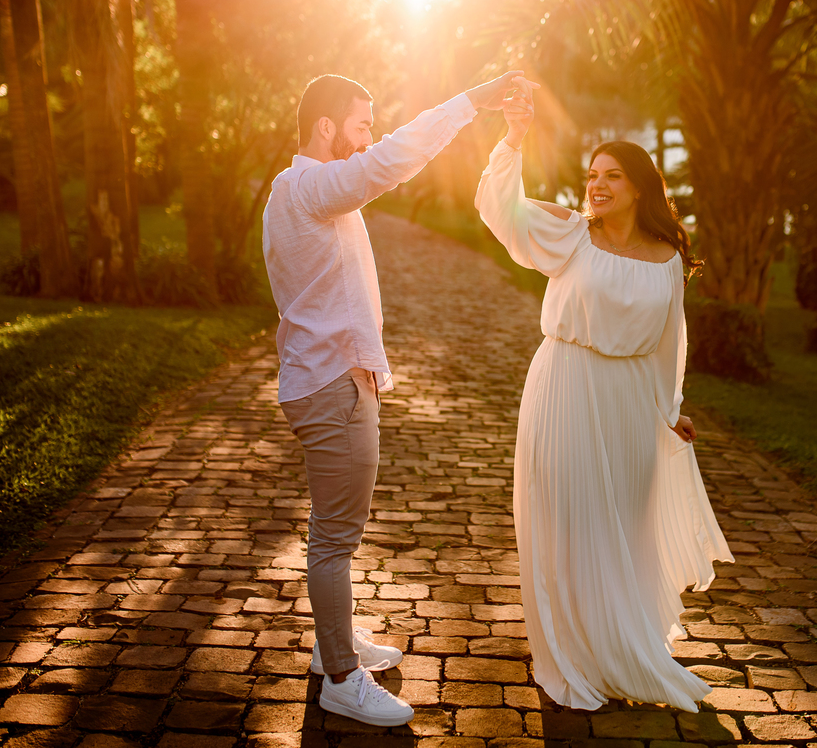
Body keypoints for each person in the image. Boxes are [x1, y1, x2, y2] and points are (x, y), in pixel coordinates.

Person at [262, 70, 528, 727]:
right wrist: (474, 99)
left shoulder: (295, 190)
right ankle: (341, 679)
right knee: (334, 537)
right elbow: (391, 160)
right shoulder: (310, 187)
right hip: (333, 385)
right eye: (361, 124)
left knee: (334, 531)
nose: (368, 137)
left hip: (329, 380)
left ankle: (335, 645)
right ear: (325, 126)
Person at [475, 83, 735, 712]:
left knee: (623, 524)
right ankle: (569, 651)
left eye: (612, 175)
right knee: (565, 521)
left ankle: (620, 643)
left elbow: (669, 343)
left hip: (630, 403)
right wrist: (515, 137)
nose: (597, 185)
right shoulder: (571, 234)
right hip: (564, 384)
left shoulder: (667, 256)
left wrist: (669, 413)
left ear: (640, 187)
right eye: (592, 174)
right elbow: (501, 207)